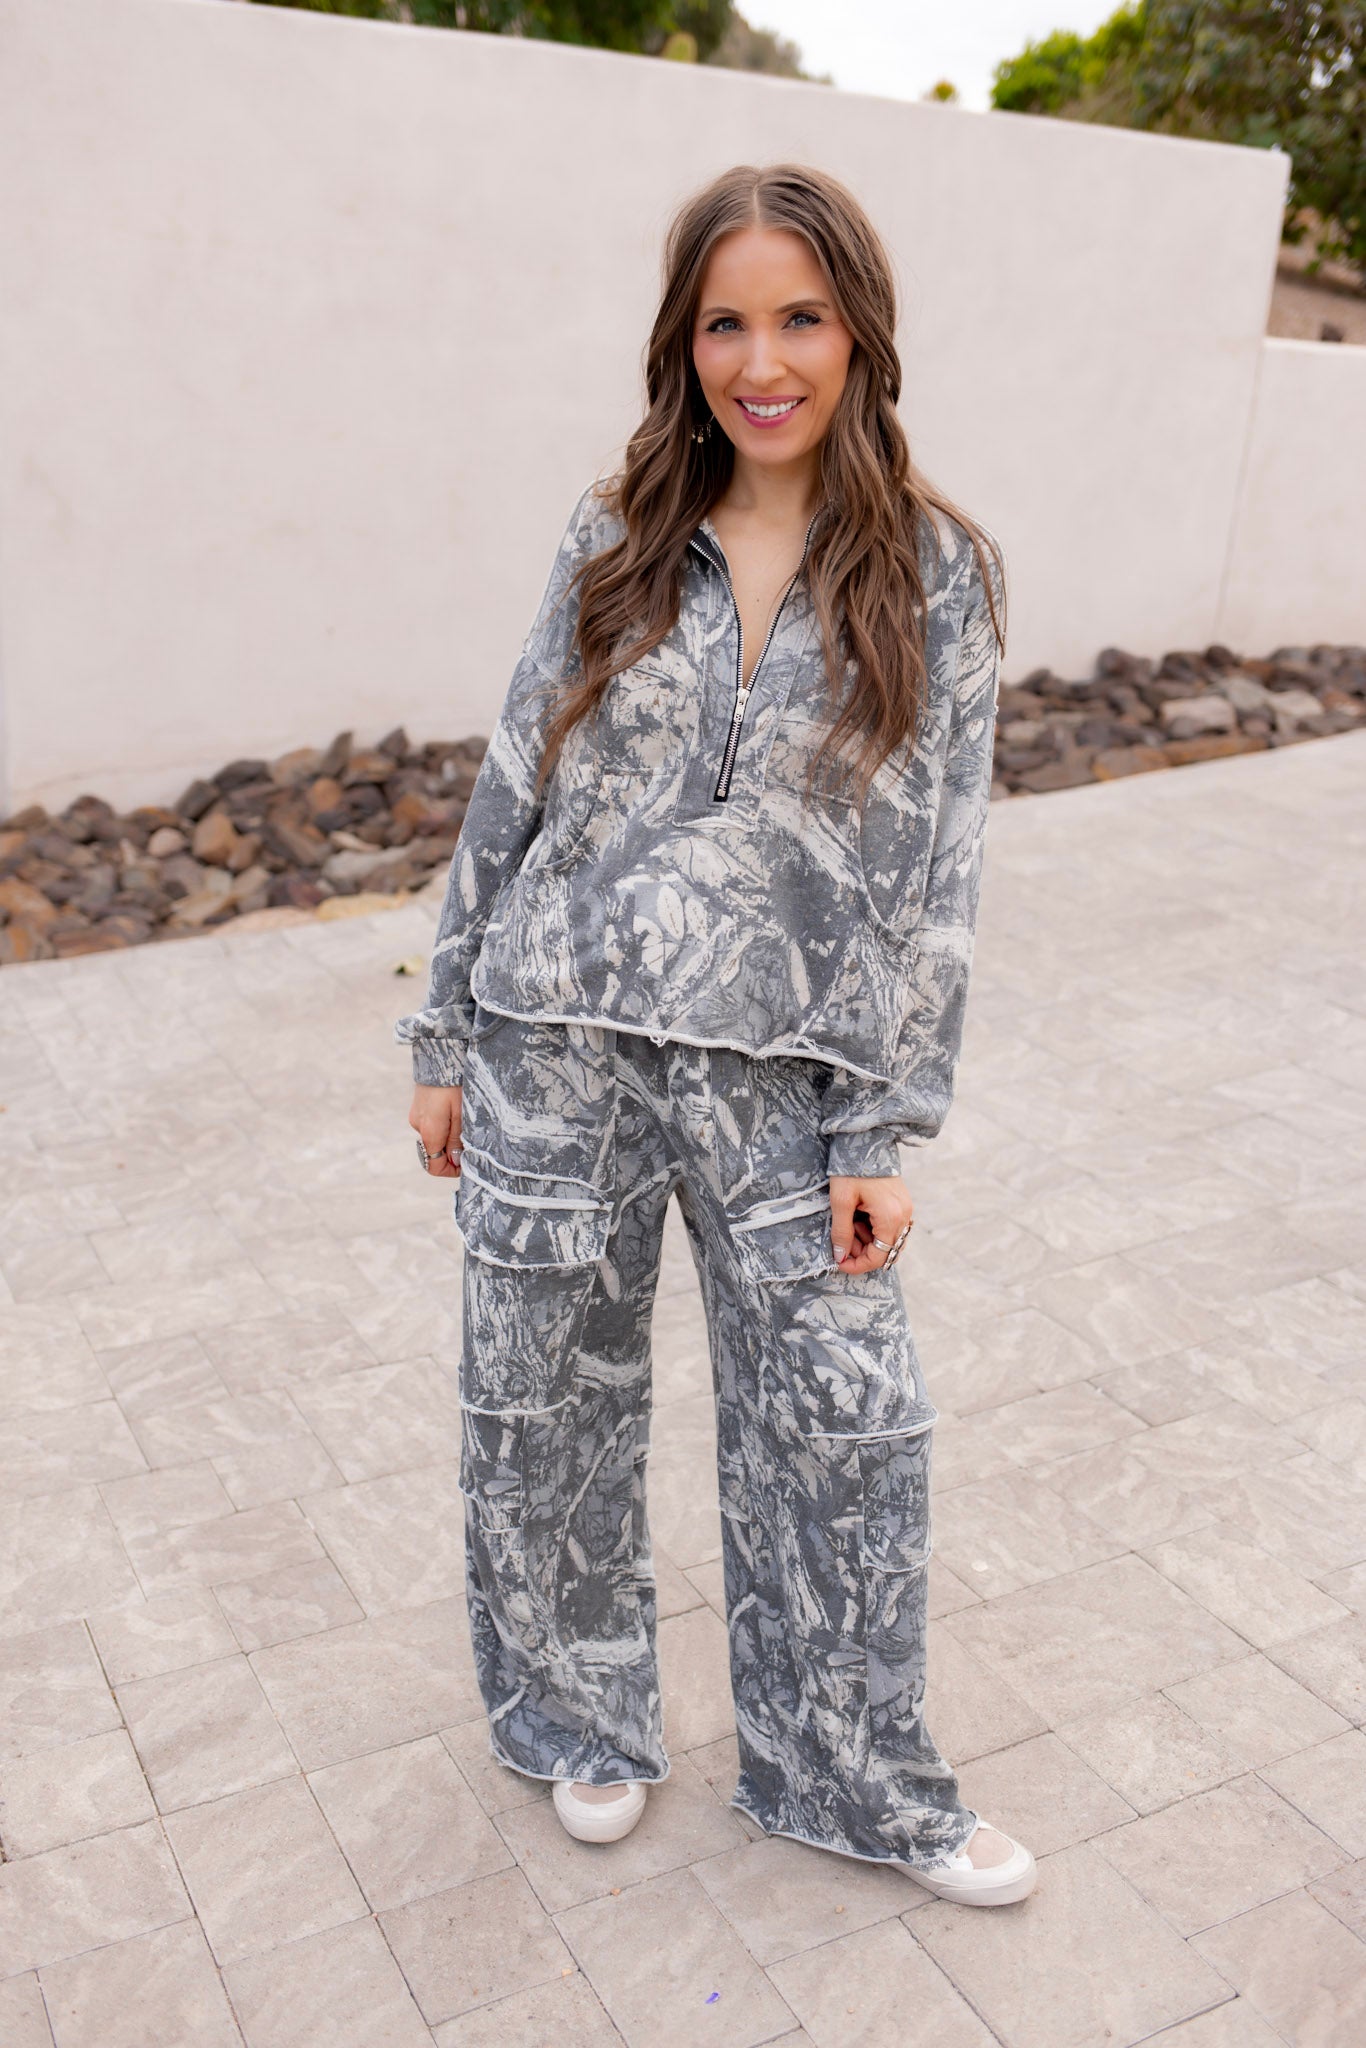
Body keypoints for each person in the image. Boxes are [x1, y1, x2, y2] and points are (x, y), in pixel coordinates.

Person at [396, 162, 1036, 1908]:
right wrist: (445, 1030)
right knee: (541, 1409)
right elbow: (513, 777)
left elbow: (934, 875)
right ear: (682, 345)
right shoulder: (614, 532)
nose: (764, 363)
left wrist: (880, 1129)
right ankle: (577, 1717)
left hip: (784, 1082)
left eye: (800, 318)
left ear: (859, 333)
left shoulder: (938, 574)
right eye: (725, 324)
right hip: (555, 1044)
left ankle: (850, 1779)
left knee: (848, 1425)